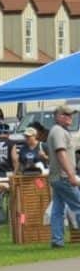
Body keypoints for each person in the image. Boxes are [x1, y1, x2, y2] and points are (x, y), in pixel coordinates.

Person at [46, 105, 80, 249]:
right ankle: (57, 239)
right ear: (58, 116)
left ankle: (57, 240)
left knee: (58, 209)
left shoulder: (59, 131)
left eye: (71, 115)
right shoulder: (58, 131)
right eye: (66, 115)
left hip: (57, 177)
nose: (69, 117)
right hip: (63, 176)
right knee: (78, 205)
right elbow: (61, 154)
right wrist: (71, 175)